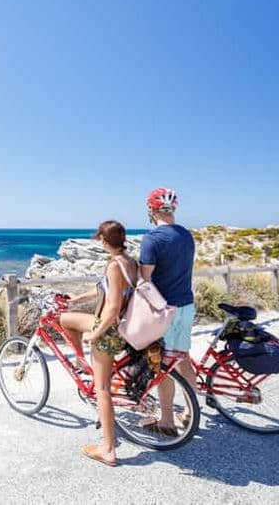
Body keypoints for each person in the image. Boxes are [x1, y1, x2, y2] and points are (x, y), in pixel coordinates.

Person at [60, 220, 138, 467]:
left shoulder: (114, 265)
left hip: (108, 330)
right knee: (65, 319)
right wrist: (77, 298)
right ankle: (83, 361)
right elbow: (104, 291)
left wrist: (95, 334)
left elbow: (113, 305)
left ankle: (108, 450)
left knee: (101, 390)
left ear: (104, 241)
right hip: (120, 326)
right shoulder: (129, 261)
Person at [139, 187, 197, 436]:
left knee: (162, 364)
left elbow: (144, 278)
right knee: (183, 358)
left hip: (165, 310)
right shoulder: (186, 235)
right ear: (173, 209)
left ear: (151, 210)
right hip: (186, 304)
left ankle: (166, 421)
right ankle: (190, 412)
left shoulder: (152, 239)